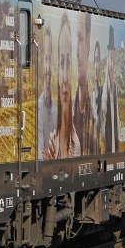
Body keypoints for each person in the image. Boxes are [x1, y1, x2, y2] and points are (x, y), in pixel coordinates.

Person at [47, 15, 80, 159]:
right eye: (61, 63)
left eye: (68, 63)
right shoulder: (50, 143)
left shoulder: (77, 145)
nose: (65, 79)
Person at [72, 13, 96, 155]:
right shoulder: (67, 110)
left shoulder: (97, 113)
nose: (76, 52)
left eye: (80, 38)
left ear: (87, 43)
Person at [99, 26, 120, 153]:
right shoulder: (103, 88)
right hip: (106, 140)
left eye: (113, 59)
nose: (111, 64)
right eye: (109, 59)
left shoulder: (115, 88)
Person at [37, 26, 57, 159]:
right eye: (45, 59)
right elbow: (40, 150)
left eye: (50, 59)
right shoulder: (39, 106)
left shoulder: (57, 107)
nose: (48, 67)